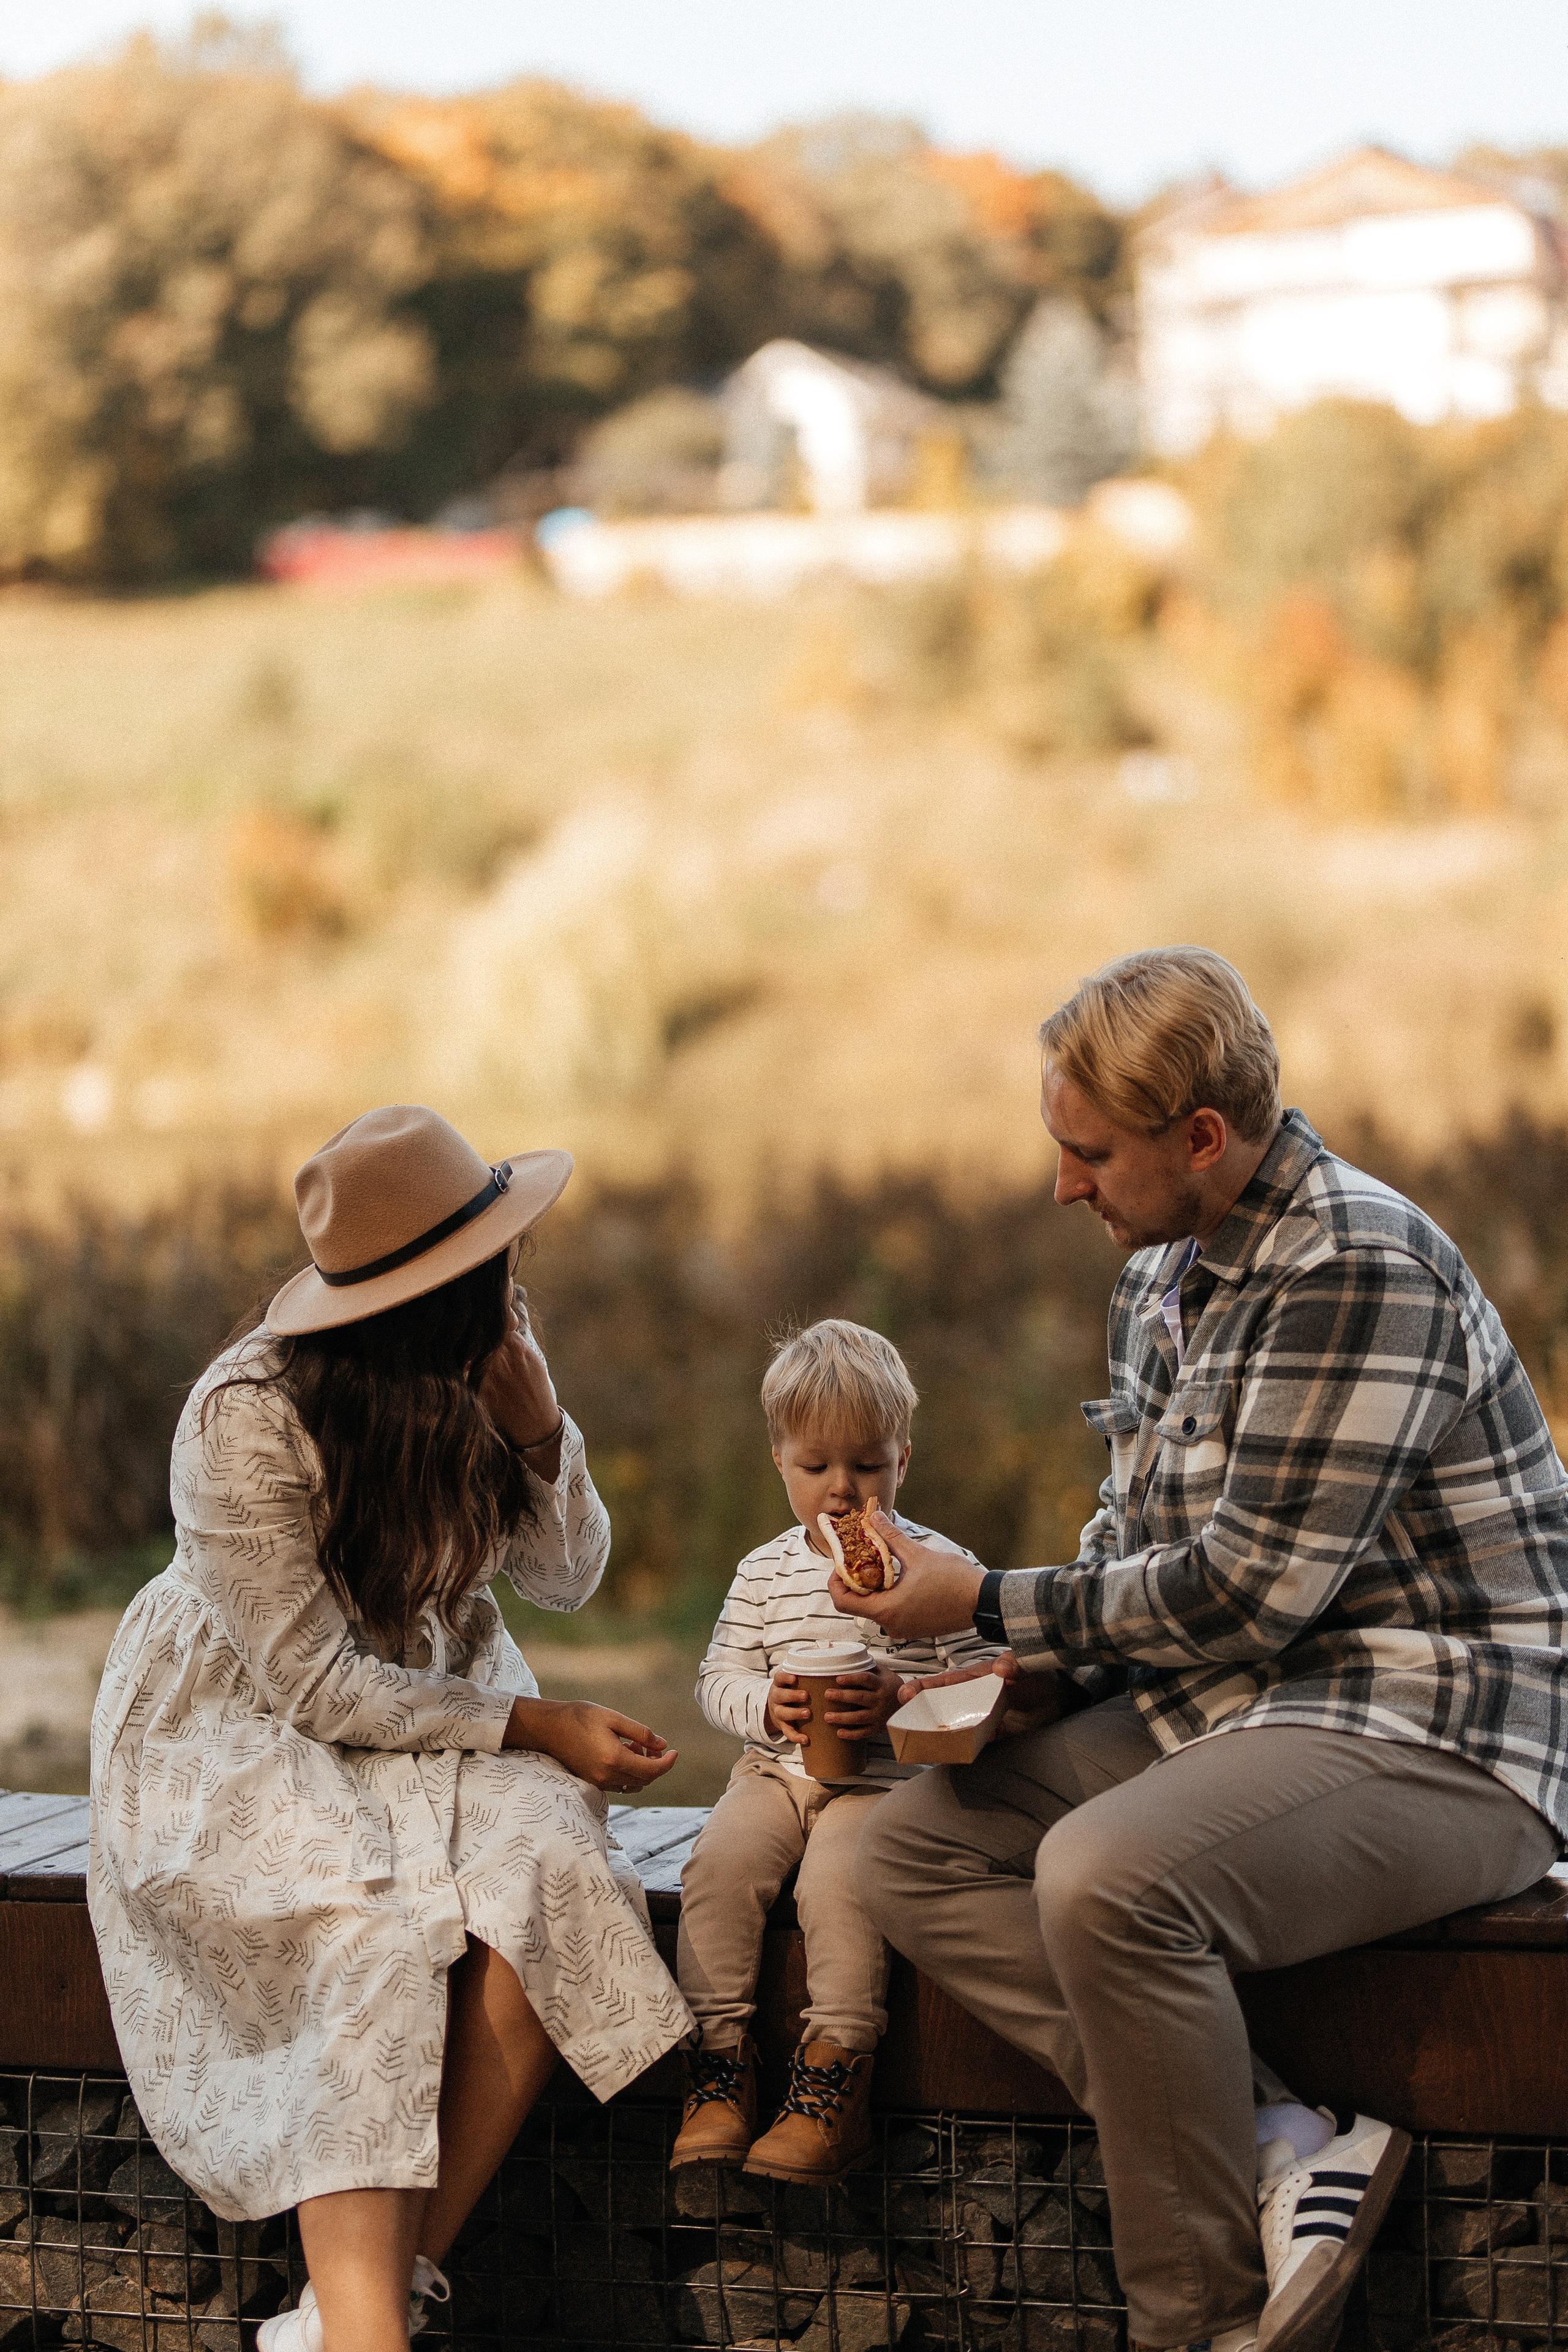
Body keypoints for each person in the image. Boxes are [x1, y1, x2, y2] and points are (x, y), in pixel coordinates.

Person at [829, 948, 1568, 2352]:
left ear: (1203, 1138)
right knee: (911, 1851)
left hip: (1445, 1724)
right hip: (1248, 1707)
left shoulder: (1351, 1264)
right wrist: (1028, 1674)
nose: (1061, 1185)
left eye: (1088, 1153)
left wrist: (984, 1604)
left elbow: (1244, 1596)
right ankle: (1283, 2140)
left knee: (1107, 1875)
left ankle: (1197, 2323)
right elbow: (1135, 1546)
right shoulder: (1160, 1277)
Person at [89, 1106, 695, 2352]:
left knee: (553, 1860)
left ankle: (364, 2310)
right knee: (361, 1931)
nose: (510, 1283)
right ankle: (366, 2330)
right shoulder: (242, 1416)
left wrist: (538, 1426)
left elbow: (568, 1574)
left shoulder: (489, 1355)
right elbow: (316, 1686)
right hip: (244, 1722)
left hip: (428, 1699)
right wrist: (533, 1720)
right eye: (487, 1267)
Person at [668, 1319, 1001, 2182]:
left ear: (904, 1461)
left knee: (839, 1885)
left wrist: (900, 1704)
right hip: (774, 1771)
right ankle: (717, 2065)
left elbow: (980, 1689)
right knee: (718, 1867)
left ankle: (833, 2076)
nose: (842, 1489)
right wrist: (765, 1707)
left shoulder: (941, 1568)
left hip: (884, 1784)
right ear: (780, 1461)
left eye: (868, 1465)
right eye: (816, 1466)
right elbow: (717, 1677)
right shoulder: (763, 1572)